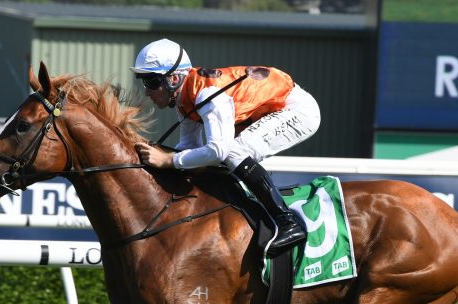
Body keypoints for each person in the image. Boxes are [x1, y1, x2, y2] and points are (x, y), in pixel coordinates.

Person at [131, 38, 322, 256]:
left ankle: (288, 222)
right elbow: (188, 148)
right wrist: (164, 160)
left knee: (231, 152)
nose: (147, 92)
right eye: (144, 82)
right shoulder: (185, 98)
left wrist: (168, 160)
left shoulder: (207, 95)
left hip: (297, 110)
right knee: (210, 158)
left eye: (152, 82)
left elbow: (217, 151)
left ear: (173, 79)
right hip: (270, 110)